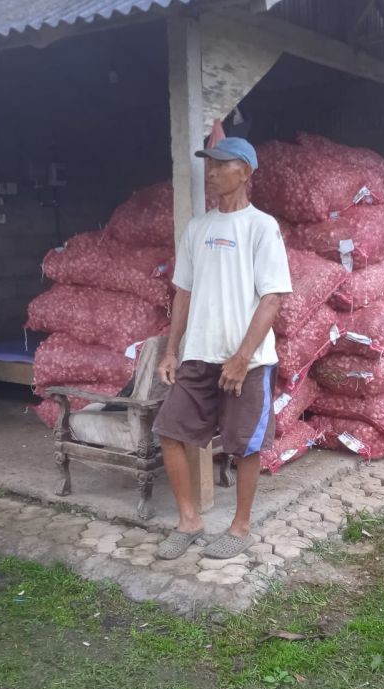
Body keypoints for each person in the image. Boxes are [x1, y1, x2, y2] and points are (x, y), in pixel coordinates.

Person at [153, 137, 292, 560]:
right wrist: (172, 350)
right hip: (199, 355)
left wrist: (241, 357)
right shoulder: (198, 228)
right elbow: (183, 293)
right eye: (208, 165)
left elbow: (272, 297)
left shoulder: (261, 226)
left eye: (221, 164)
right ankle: (189, 521)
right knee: (169, 432)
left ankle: (240, 527)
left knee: (244, 445)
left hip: (246, 362)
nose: (211, 173)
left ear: (246, 171)